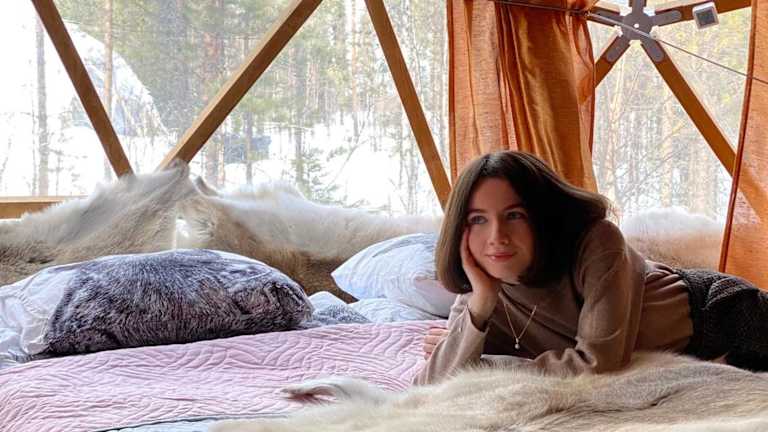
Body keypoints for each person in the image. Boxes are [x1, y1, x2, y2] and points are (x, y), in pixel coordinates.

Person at [414, 150, 768, 385]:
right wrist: (480, 306)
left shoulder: (596, 241)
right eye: (478, 219)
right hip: (688, 357)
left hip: (718, 314)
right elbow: (430, 386)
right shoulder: (480, 289)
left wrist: (486, 363)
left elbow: (597, 365)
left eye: (514, 215)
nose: (497, 237)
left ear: (542, 218)